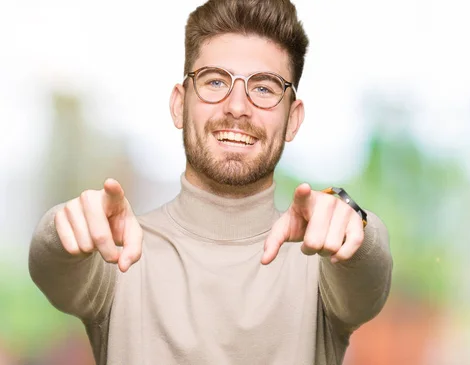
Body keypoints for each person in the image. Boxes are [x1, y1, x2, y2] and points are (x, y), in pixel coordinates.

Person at [28, 0, 393, 364]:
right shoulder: (116, 252)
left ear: (293, 119)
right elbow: (51, 267)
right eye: (215, 81)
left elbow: (369, 278)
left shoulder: (321, 259)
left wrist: (355, 227)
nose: (237, 106)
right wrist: (61, 227)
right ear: (178, 104)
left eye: (264, 88)